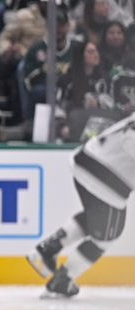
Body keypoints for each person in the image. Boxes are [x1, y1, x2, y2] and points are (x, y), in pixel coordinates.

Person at [26, 112, 135, 297]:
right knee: (107, 236)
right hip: (106, 178)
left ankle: (47, 249)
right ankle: (62, 280)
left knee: (97, 220)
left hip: (86, 159)